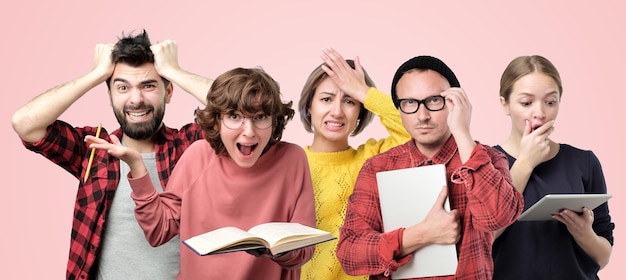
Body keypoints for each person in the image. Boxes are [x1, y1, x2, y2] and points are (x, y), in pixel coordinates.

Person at [11, 30, 214, 280]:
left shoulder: (191, 147)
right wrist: (96, 74)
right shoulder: (95, 151)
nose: (136, 99)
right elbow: (25, 124)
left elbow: (243, 111)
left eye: (149, 85)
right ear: (109, 95)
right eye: (122, 87)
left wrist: (175, 71)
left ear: (169, 92)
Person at [86, 67, 316, 280]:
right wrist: (137, 167)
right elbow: (158, 231)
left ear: (274, 121)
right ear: (217, 121)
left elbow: (304, 251)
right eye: (234, 117)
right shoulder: (198, 155)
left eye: (260, 118)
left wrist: (272, 249)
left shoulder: (292, 159)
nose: (249, 132)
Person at [335, 55, 525, 279]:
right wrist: (421, 235)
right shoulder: (378, 168)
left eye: (434, 100)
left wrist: (463, 133)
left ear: (455, 102)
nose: (422, 116)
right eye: (410, 103)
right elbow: (350, 254)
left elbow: (499, 217)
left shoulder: (488, 159)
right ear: (399, 108)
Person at [491, 55, 615, 279]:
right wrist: (525, 164)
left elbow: (603, 257)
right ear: (505, 104)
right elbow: (479, 240)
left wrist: (584, 233)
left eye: (550, 102)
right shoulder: (484, 164)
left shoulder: (584, 162)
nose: (540, 113)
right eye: (526, 103)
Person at [298, 48, 411, 280]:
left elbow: (415, 132)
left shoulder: (371, 160)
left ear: (361, 110)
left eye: (349, 101)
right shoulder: (289, 162)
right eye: (326, 99)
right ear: (309, 105)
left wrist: (365, 92)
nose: (337, 111)